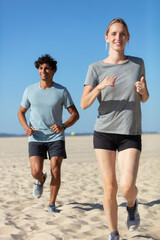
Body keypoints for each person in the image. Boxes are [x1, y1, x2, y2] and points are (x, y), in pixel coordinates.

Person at [81, 18, 149, 240]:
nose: (118, 38)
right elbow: (84, 103)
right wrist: (100, 85)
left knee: (127, 186)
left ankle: (131, 204)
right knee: (110, 187)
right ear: (106, 38)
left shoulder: (138, 63)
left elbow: (144, 98)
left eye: (122, 34)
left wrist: (143, 90)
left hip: (130, 131)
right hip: (104, 132)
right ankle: (113, 233)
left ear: (127, 38)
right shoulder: (95, 68)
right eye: (114, 34)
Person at [18, 54, 79, 213]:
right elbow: (21, 112)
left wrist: (63, 125)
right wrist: (26, 127)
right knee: (35, 171)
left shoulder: (62, 91)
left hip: (56, 137)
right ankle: (40, 180)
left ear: (53, 71)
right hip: (36, 137)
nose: (43, 71)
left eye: (47, 68)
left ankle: (51, 204)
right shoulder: (29, 90)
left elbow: (75, 114)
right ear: (38, 70)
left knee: (56, 170)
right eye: (40, 68)